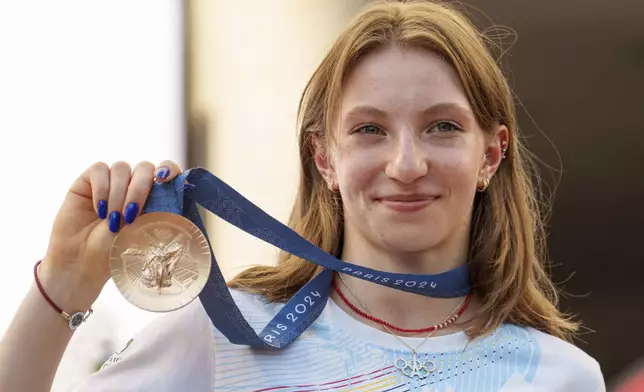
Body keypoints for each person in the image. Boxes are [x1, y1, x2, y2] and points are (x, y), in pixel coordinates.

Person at [0, 1, 605, 391]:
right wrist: (63, 284)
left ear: (491, 155)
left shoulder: (564, 377)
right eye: (370, 129)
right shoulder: (219, 341)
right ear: (325, 158)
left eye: (442, 127)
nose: (406, 164)